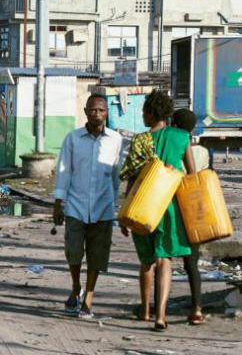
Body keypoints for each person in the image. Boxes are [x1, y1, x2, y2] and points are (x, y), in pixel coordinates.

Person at [119, 90, 195, 332]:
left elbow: (131, 179)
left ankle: (144, 309)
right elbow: (192, 177)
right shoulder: (182, 137)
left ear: (152, 113)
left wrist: (124, 213)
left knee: (146, 261)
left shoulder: (140, 141)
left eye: (144, 111)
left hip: (142, 205)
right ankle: (160, 315)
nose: (142, 115)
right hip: (170, 206)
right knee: (164, 259)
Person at [52, 94, 122, 318]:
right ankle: (75, 286)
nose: (97, 114)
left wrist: (117, 204)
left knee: (97, 255)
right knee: (74, 252)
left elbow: (116, 175)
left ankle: (88, 297)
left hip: (103, 207)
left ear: (106, 113)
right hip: (75, 205)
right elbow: (64, 171)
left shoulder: (115, 139)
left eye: (101, 110)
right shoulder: (72, 139)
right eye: (93, 110)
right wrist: (58, 203)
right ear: (85, 111)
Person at [171, 108, 208, 325]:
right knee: (191, 262)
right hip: (193, 209)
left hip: (172, 205)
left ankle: (157, 308)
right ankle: (197, 308)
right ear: (193, 129)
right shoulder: (203, 152)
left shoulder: (171, 144)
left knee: (163, 259)